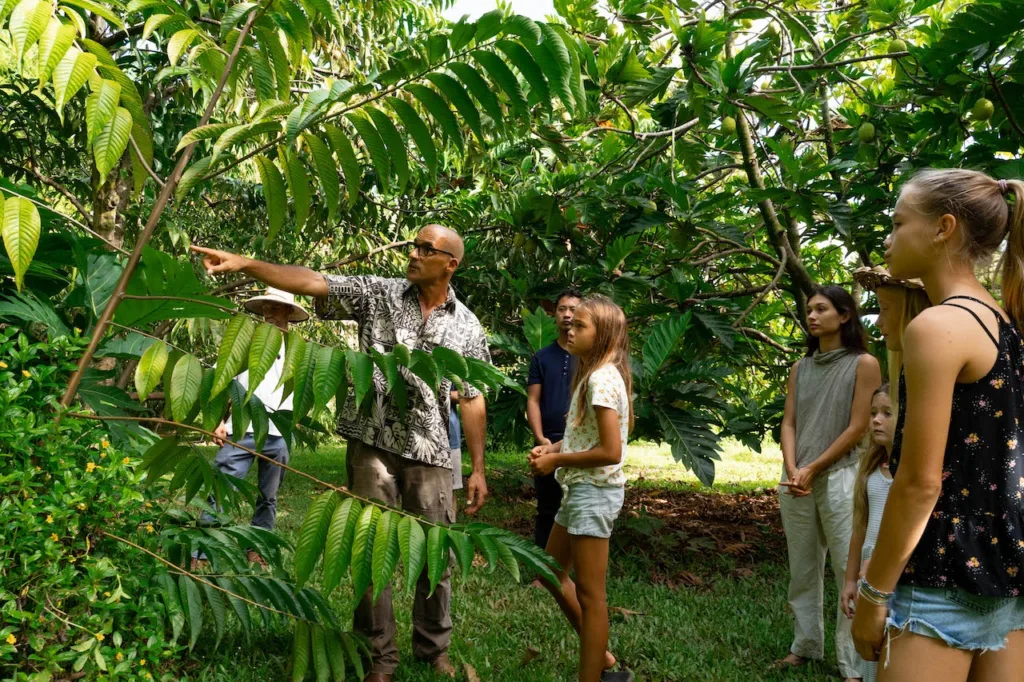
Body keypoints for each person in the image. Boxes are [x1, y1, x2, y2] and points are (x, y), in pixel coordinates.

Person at [191, 224, 491, 682]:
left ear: (450, 263)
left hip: (429, 453)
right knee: (371, 552)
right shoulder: (380, 294)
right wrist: (247, 263)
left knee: (434, 554)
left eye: (425, 249)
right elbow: (315, 281)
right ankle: (378, 656)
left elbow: (471, 398)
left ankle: (433, 649)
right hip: (371, 444)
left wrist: (477, 469)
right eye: (413, 244)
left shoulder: (467, 325)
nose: (413, 253)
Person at [851, 170, 1024, 681]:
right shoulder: (1007, 324)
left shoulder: (937, 326)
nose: (888, 238)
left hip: (939, 581)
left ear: (943, 227)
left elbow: (920, 482)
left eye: (899, 222)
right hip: (1006, 579)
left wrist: (873, 593)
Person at [776, 286, 882, 681]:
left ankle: (852, 663)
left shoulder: (864, 363)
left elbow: (858, 427)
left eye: (822, 309)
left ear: (845, 315)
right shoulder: (800, 368)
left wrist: (813, 468)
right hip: (796, 480)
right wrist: (792, 467)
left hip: (841, 477)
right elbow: (788, 422)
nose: (813, 315)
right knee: (802, 567)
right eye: (809, 309)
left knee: (846, 569)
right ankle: (803, 646)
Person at [528, 295, 635, 682]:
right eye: (569, 323)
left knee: (592, 596)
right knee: (551, 571)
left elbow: (610, 451)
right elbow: (581, 435)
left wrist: (555, 461)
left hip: (594, 493)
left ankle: (593, 676)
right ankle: (602, 658)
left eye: (580, 325)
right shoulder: (593, 374)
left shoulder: (602, 378)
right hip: (579, 491)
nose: (569, 328)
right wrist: (554, 447)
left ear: (602, 333)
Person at [841, 267, 931, 682]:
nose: (877, 321)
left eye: (884, 309)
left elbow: (922, 488)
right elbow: (861, 522)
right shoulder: (873, 468)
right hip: (874, 573)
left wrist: (874, 585)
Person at [195, 287, 308, 568]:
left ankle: (257, 548)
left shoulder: (299, 348)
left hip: (278, 433)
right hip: (240, 429)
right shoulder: (246, 341)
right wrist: (217, 421)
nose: (269, 312)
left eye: (276, 307)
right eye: (266, 307)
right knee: (222, 489)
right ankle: (203, 552)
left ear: (289, 312)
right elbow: (223, 378)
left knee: (268, 497)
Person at [527, 288, 582, 551]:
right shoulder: (542, 357)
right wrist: (541, 437)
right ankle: (543, 568)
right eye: (562, 309)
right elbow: (534, 400)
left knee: (578, 505)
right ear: (554, 314)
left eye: (573, 309)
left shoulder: (589, 357)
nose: (568, 315)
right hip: (548, 441)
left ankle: (572, 563)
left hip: (582, 444)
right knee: (547, 506)